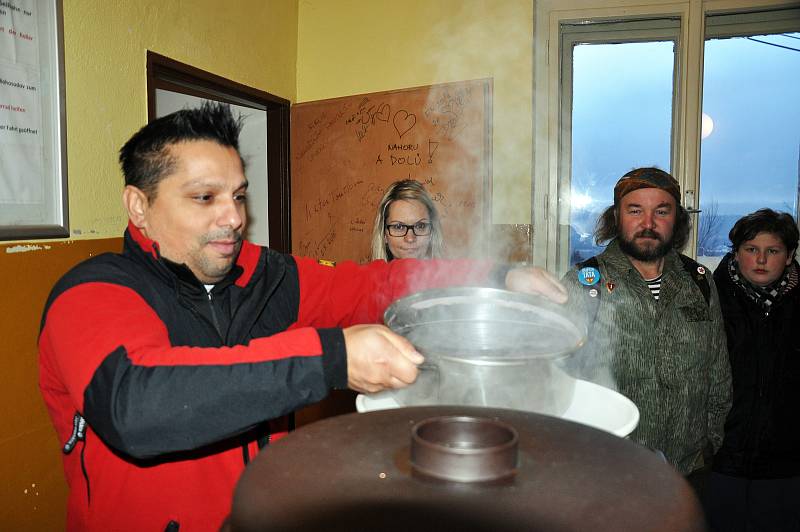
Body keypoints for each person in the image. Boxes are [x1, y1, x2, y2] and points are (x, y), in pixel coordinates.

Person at [38, 102, 566, 532]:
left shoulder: (263, 276)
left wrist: (498, 275)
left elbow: (373, 284)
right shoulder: (93, 293)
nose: (234, 218)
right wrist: (331, 357)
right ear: (138, 206)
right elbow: (137, 406)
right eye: (205, 198)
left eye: (239, 196)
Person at [561, 167, 731, 482]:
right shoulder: (585, 284)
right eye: (635, 210)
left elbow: (718, 374)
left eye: (661, 212)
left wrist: (709, 444)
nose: (648, 224)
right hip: (607, 469)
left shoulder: (700, 284)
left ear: (677, 219)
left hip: (687, 469)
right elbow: (558, 379)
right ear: (616, 216)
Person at [704, 209, 800, 531]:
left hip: (786, 463)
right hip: (721, 459)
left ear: (788, 257)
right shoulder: (708, 299)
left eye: (772, 251)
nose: (761, 259)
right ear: (736, 254)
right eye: (751, 250)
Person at [370, 179, 445, 260]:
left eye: (420, 226)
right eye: (399, 227)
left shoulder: (455, 272)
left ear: (432, 233)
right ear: (384, 235)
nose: (410, 238)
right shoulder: (368, 272)